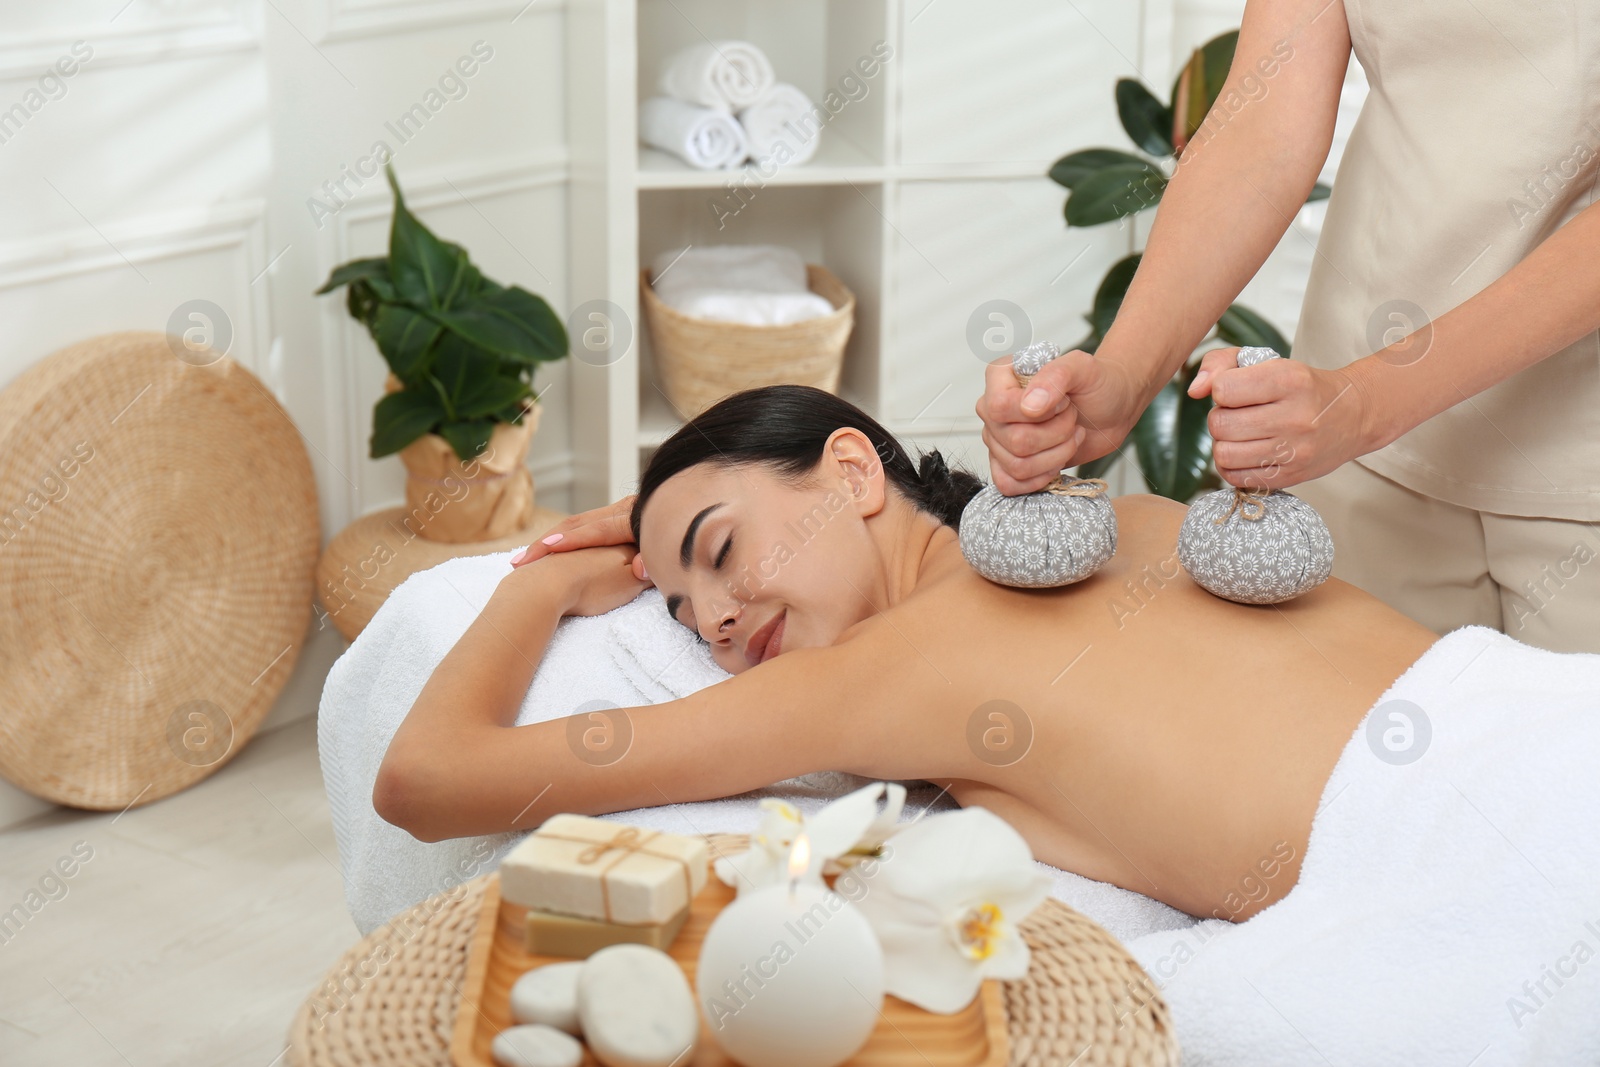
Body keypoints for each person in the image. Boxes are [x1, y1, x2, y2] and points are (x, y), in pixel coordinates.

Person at [376, 385, 1445, 922]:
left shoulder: (875, 673)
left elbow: (425, 780)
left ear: (851, 470)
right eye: (678, 610)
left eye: (718, 551)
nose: (712, 621)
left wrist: (549, 575)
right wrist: (650, 540)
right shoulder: (1142, 517)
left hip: (1467, 809)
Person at [975, 0, 1600, 654]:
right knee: (1350, 741)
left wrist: (1368, 401)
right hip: (1355, 428)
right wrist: (1126, 372)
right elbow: (1266, 121)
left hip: (1569, 455)